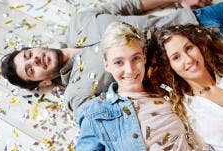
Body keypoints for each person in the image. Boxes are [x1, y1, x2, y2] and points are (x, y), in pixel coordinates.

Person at [1, 0, 223, 116]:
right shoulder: (79, 96)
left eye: (29, 54)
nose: (35, 60)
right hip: (209, 56)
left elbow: (132, 4)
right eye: (30, 69)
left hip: (198, 17)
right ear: (41, 83)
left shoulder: (79, 22)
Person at [75, 21, 208, 151]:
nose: (130, 70)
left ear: (144, 57)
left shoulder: (167, 90)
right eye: (119, 62)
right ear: (106, 64)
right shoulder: (94, 113)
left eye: (135, 58)